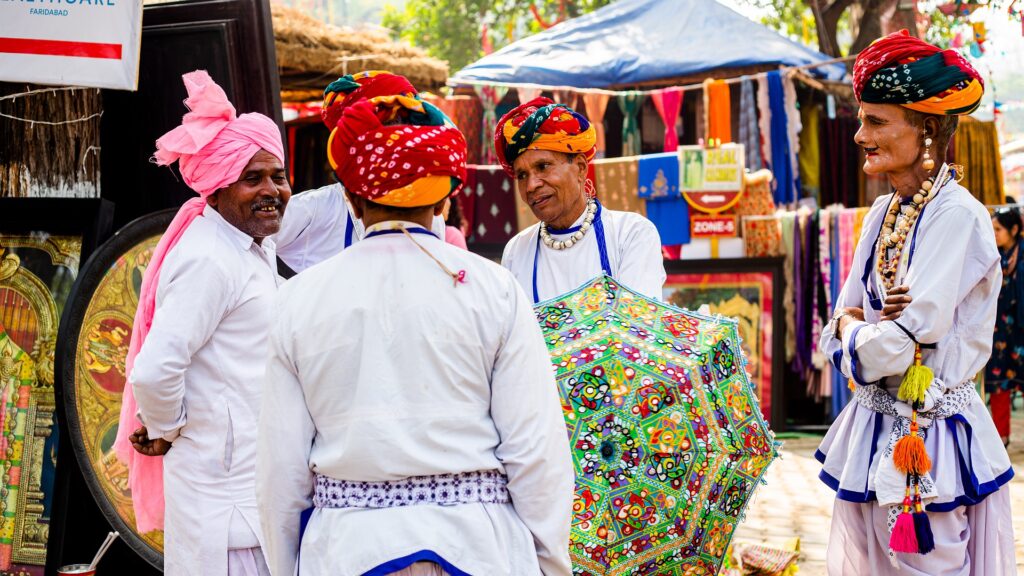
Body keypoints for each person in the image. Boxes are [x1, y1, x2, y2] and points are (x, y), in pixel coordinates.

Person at [257, 94, 574, 576]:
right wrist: (549, 564)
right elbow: (536, 454)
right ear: (445, 197)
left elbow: (281, 473)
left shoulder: (298, 300)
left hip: (347, 551)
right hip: (479, 549)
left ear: (353, 198)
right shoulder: (495, 290)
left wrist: (286, 568)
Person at [819, 30, 1014, 574]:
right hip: (872, 429)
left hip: (931, 443)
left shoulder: (958, 216)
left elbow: (900, 350)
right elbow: (832, 331)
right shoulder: (880, 215)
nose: (860, 136)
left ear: (928, 130)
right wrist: (860, 329)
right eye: (863, 120)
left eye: (876, 122)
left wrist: (857, 329)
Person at [119, 70, 289, 575]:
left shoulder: (251, 248)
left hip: (251, 498)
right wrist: (169, 428)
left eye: (277, 176)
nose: (271, 191)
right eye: (252, 178)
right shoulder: (210, 259)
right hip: (227, 514)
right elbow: (154, 371)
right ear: (216, 188)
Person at [275, 71, 448, 272]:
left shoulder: (428, 210)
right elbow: (251, 247)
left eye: (408, 128)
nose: (399, 139)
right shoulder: (313, 208)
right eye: (388, 128)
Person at [496, 98, 665, 303]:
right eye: (522, 175)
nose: (531, 185)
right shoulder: (517, 251)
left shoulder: (631, 234)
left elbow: (637, 324)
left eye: (543, 167)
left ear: (581, 167)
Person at [986, 207, 1024, 445]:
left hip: (1021, 327)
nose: (995, 234)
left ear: (1014, 229)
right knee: (999, 386)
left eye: (998, 229)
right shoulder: (992, 256)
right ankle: (1001, 437)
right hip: (999, 329)